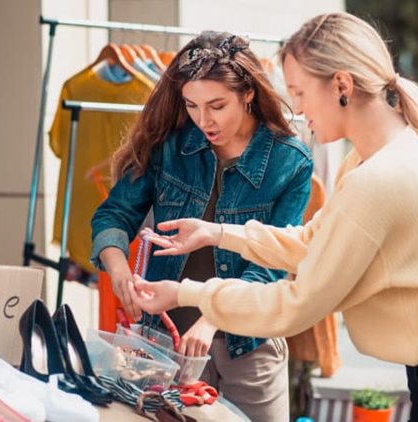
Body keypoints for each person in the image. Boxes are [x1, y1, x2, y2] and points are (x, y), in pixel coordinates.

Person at [128, 12, 418, 422]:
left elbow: (297, 304)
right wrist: (217, 233)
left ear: (341, 85)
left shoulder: (378, 179)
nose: (297, 108)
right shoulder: (377, 156)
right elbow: (313, 245)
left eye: (301, 93)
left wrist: (188, 294)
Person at [90, 31, 313, 421]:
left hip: (250, 345)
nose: (203, 119)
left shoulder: (289, 162)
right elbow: (113, 214)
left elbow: (273, 263)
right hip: (166, 344)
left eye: (217, 105)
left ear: (247, 94)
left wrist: (213, 319)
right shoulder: (169, 147)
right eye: (191, 105)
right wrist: (119, 271)